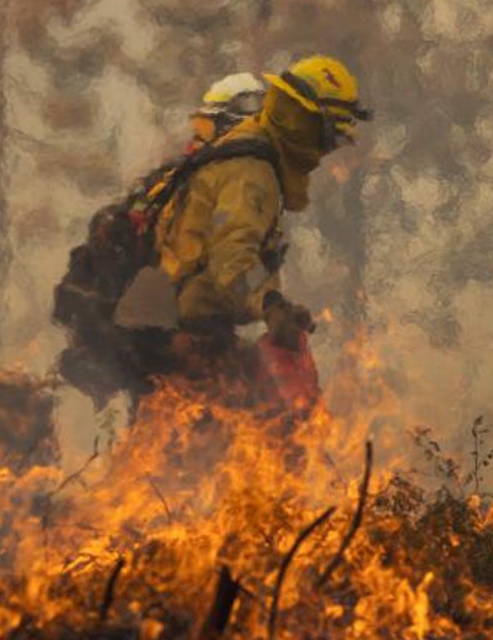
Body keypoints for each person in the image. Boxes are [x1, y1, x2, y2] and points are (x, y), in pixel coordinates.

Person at [54, 56, 371, 414]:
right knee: (246, 432)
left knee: (222, 434)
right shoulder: (251, 172)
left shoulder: (244, 152)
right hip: (181, 337)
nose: (327, 150)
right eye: (330, 136)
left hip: (166, 331)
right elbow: (232, 258)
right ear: (307, 124)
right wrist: (271, 305)